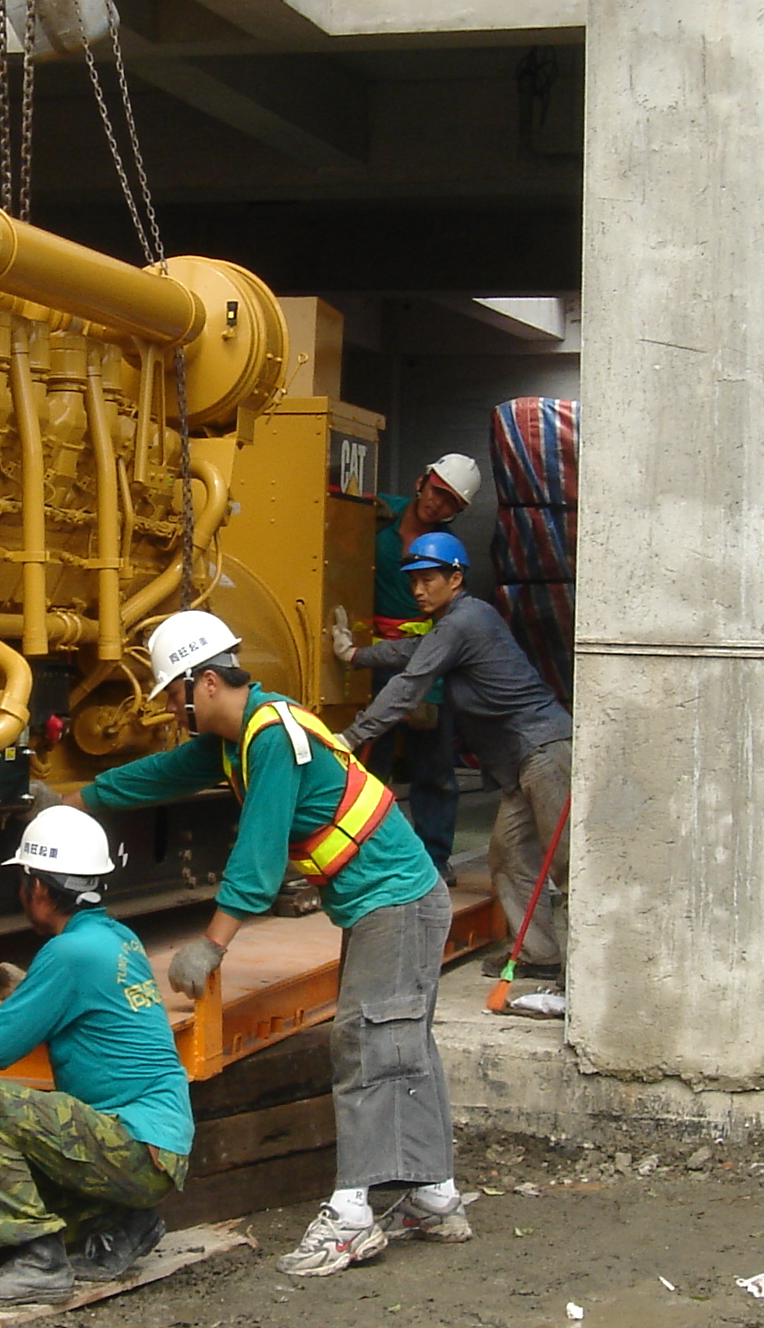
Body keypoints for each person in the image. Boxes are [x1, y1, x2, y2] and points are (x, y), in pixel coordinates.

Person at [74, 611, 469, 1278]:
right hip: (390, 899)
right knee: (401, 1041)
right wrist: (85, 797)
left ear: (203, 683)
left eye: (173, 694)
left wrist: (211, 946)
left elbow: (257, 863)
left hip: (396, 899)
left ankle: (351, 1216)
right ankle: (433, 1195)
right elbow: (164, 775)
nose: (171, 710)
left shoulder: (270, 739)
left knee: (368, 1043)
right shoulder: (239, 737)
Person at [0, 805, 194, 1308]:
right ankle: (124, 1225)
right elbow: (92, 1008)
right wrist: (24, 989)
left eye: (24, 883)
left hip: (131, 1141)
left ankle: (39, 1263)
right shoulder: (116, 939)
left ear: (39, 888)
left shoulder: (68, 954)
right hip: (155, 1149)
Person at [334, 532, 573, 977]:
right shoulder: (454, 625)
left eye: (428, 580)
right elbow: (410, 651)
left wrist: (350, 737)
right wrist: (353, 655)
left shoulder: (467, 621)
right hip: (521, 766)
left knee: (567, 864)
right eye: (414, 582)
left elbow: (408, 686)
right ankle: (540, 954)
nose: (418, 591)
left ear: (456, 577)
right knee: (510, 858)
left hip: (544, 753)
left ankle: (587, 978)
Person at [356, 454, 482, 870]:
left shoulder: (448, 553)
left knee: (434, 766)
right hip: (373, 663)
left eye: (450, 502)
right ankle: (363, 854)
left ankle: (435, 859)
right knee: (370, 761)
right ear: (421, 481)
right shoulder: (378, 514)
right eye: (436, 491)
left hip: (427, 664)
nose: (437, 504)